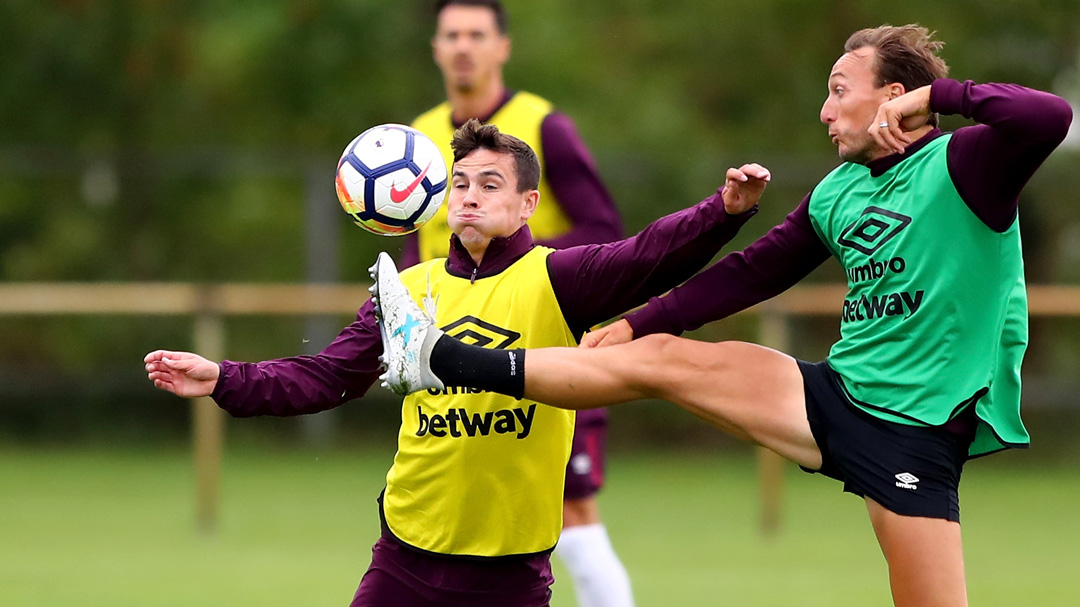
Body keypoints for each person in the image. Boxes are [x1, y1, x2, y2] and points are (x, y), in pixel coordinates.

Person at [374, 25, 1073, 607]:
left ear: (895, 96)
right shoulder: (840, 191)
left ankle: (441, 357)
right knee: (657, 361)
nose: (825, 113)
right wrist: (641, 321)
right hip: (832, 397)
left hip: (914, 435)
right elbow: (753, 270)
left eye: (838, 92)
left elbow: (1049, 116)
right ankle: (439, 358)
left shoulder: (969, 162)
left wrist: (939, 98)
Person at [146, 120, 769, 607]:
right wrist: (222, 377)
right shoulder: (408, 290)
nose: (470, 198)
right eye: (461, 184)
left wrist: (725, 212)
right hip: (407, 554)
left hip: (511, 570)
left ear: (528, 205)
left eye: (490, 185)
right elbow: (327, 377)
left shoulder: (556, 277)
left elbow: (648, 255)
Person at [405, 3, 629, 604]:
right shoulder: (418, 139)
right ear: (435, 47)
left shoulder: (543, 126)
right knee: (460, 510)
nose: (463, 47)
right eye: (451, 35)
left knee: (575, 513)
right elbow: (411, 250)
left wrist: (511, 267)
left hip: (542, 344)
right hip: (445, 354)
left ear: (502, 47)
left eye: (477, 35)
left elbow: (603, 228)